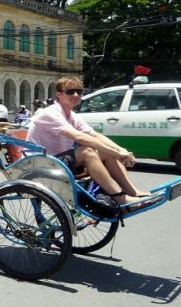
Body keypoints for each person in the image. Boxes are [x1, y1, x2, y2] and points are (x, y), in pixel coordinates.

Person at [26, 76, 153, 208]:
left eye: (79, 91)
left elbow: (94, 135)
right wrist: (116, 153)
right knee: (87, 151)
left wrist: (121, 150)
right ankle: (120, 198)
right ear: (59, 94)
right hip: (41, 164)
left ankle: (132, 192)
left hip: (58, 161)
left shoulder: (72, 115)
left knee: (104, 152)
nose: (75, 95)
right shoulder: (49, 113)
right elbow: (79, 137)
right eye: (70, 91)